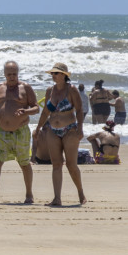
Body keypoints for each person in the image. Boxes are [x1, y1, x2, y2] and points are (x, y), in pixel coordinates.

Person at [0, 61, 38, 204]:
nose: (12, 77)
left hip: (21, 131)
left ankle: (29, 195)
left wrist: (26, 111)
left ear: (18, 73)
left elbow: (36, 108)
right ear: (4, 74)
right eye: (9, 74)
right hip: (1, 131)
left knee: (24, 163)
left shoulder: (25, 87)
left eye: (14, 73)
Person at [37, 62, 87, 206]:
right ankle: (57, 198)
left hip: (70, 130)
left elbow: (79, 109)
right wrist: (38, 128)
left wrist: (80, 128)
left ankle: (80, 193)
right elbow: (46, 111)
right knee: (56, 164)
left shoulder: (71, 90)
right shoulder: (49, 91)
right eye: (52, 73)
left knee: (71, 164)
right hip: (52, 130)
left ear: (64, 75)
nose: (53, 76)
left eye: (56, 73)